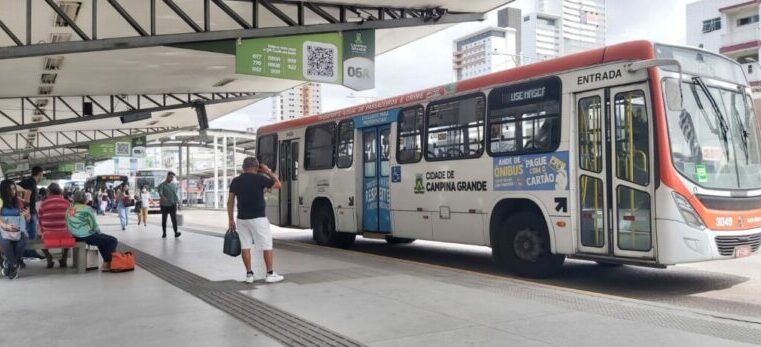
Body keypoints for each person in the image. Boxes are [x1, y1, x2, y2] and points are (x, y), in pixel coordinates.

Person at [227, 157, 284, 284]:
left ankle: (249, 274)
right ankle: (270, 273)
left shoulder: (236, 181)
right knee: (266, 245)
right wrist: (268, 171)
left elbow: (230, 202)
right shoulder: (260, 178)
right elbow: (279, 185)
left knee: (245, 246)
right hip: (259, 218)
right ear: (257, 167)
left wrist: (231, 220)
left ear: (243, 167)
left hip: (242, 219)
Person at [66, 190, 118, 272]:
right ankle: (106, 264)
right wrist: (99, 233)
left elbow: (68, 224)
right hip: (86, 236)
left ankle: (108, 263)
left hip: (74, 236)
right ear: (84, 199)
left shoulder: (69, 209)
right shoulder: (86, 208)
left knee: (102, 240)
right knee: (112, 240)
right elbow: (93, 225)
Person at [0, 180, 30, 279]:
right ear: (4, 190)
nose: (13, 191)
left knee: (23, 240)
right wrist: (4, 225)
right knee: (5, 242)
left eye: (14, 188)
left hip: (18, 229)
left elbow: (27, 218)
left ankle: (9, 263)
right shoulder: (0, 201)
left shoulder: (18, 201)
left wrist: (26, 215)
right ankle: (14, 265)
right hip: (3, 230)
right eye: (10, 189)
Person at [38, 183, 71, 269]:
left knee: (37, 237)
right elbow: (71, 220)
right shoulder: (67, 203)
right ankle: (64, 258)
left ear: (48, 192)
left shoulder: (43, 204)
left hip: (48, 235)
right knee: (68, 232)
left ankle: (48, 257)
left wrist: (43, 231)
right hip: (65, 235)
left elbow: (40, 220)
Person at [18, 166, 43, 258]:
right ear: (40, 174)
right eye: (42, 175)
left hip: (22, 211)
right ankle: (30, 253)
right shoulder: (31, 183)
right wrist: (27, 211)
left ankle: (25, 252)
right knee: (31, 234)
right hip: (29, 212)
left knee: (24, 233)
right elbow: (27, 197)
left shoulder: (24, 182)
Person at [157, 172, 181, 239]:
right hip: (164, 205)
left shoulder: (174, 185)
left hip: (173, 205)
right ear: (167, 176)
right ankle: (164, 233)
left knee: (174, 219)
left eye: (172, 177)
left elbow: (175, 195)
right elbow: (160, 192)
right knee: (164, 219)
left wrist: (178, 203)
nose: (171, 178)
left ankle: (176, 233)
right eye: (170, 176)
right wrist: (162, 197)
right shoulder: (162, 185)